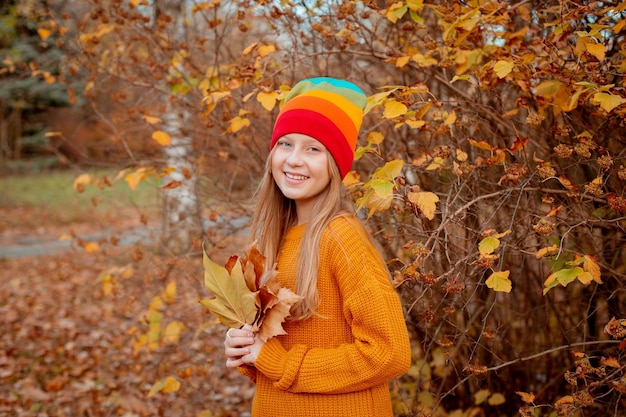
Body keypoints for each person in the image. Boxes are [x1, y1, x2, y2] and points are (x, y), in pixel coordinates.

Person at [223, 77, 411, 417]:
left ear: (335, 165)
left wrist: (279, 363)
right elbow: (277, 353)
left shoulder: (341, 237)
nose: (294, 160)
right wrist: (248, 351)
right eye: (285, 144)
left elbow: (389, 352)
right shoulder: (271, 239)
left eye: (313, 149)